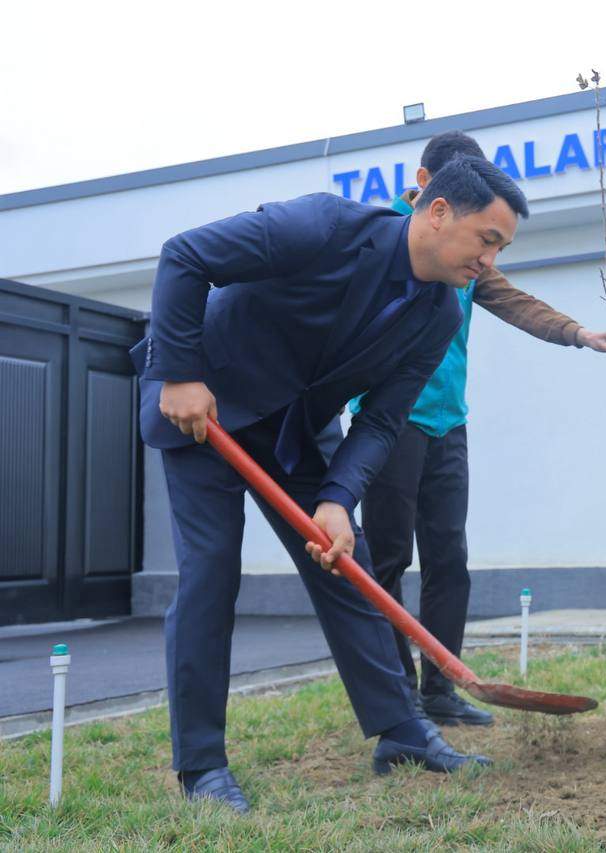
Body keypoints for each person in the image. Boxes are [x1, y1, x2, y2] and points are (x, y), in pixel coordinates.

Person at [133, 155, 526, 813]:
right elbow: (185, 257)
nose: (490, 260)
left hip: (296, 428)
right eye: (487, 240)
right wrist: (177, 372)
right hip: (208, 404)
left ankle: (401, 732)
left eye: (502, 247)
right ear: (437, 212)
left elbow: (380, 420)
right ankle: (201, 766)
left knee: (349, 564)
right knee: (211, 574)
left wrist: (338, 498)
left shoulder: (438, 318)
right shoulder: (323, 226)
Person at [353, 131, 606, 727]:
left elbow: (512, 299)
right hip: (385, 422)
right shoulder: (386, 235)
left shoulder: (469, 258)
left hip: (448, 421)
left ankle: (441, 691)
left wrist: (578, 333)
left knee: (449, 557)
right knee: (388, 559)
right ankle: (397, 698)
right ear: (428, 187)